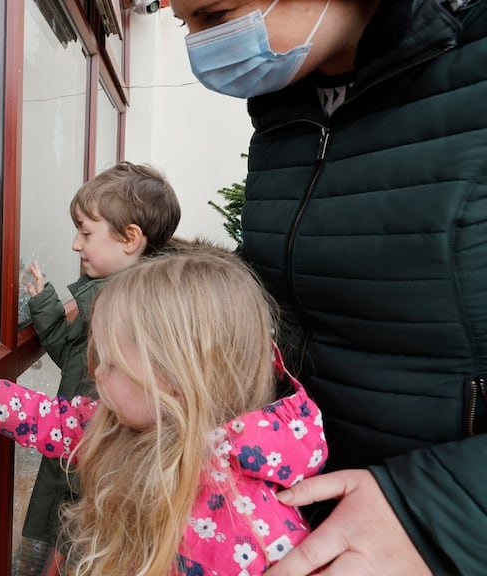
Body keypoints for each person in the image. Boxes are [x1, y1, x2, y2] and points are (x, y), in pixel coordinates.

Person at [170, 0, 487, 573]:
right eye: (184, 24)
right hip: (296, 514)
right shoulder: (285, 114)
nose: (199, 46)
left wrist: (439, 514)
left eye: (216, 16)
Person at [0, 250, 328, 575]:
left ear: (173, 377)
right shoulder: (123, 424)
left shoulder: (253, 531)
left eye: (113, 362)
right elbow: (44, 416)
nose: (96, 372)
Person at [18, 161, 180, 570]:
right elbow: (73, 360)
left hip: (103, 463)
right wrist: (44, 304)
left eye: (86, 233)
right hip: (73, 448)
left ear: (130, 239)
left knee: (86, 545)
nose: (76, 244)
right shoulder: (99, 295)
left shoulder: (144, 310)